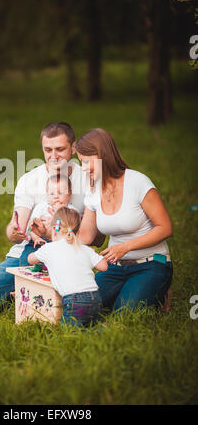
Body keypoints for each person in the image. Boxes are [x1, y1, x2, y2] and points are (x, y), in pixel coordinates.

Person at [0, 122, 85, 314]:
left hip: (70, 253)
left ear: (73, 148)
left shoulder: (87, 178)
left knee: (67, 310)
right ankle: (19, 290)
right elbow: (17, 228)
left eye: (60, 149)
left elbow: (95, 235)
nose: (53, 156)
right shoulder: (29, 180)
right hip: (29, 251)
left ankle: (29, 291)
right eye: (48, 150)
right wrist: (15, 231)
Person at [76, 128, 173, 312]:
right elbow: (86, 236)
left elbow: (166, 228)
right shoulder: (93, 189)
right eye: (81, 162)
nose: (83, 168)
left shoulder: (138, 182)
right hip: (114, 268)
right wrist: (54, 238)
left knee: (124, 313)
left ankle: (160, 292)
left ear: (103, 155)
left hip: (151, 263)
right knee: (85, 308)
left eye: (87, 161)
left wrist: (126, 247)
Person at [27, 206, 108, 326]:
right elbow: (104, 266)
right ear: (77, 230)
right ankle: (100, 327)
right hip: (95, 298)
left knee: (69, 331)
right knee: (91, 325)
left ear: (54, 229)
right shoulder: (84, 249)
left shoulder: (48, 249)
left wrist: (37, 253)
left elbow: (30, 259)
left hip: (74, 301)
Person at [18, 173, 79, 265]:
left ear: (69, 194)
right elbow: (31, 225)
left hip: (62, 244)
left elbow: (74, 230)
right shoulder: (42, 207)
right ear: (47, 194)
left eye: (60, 193)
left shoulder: (72, 211)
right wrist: (36, 238)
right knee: (26, 259)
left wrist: (59, 213)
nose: (56, 196)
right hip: (38, 242)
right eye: (52, 193)